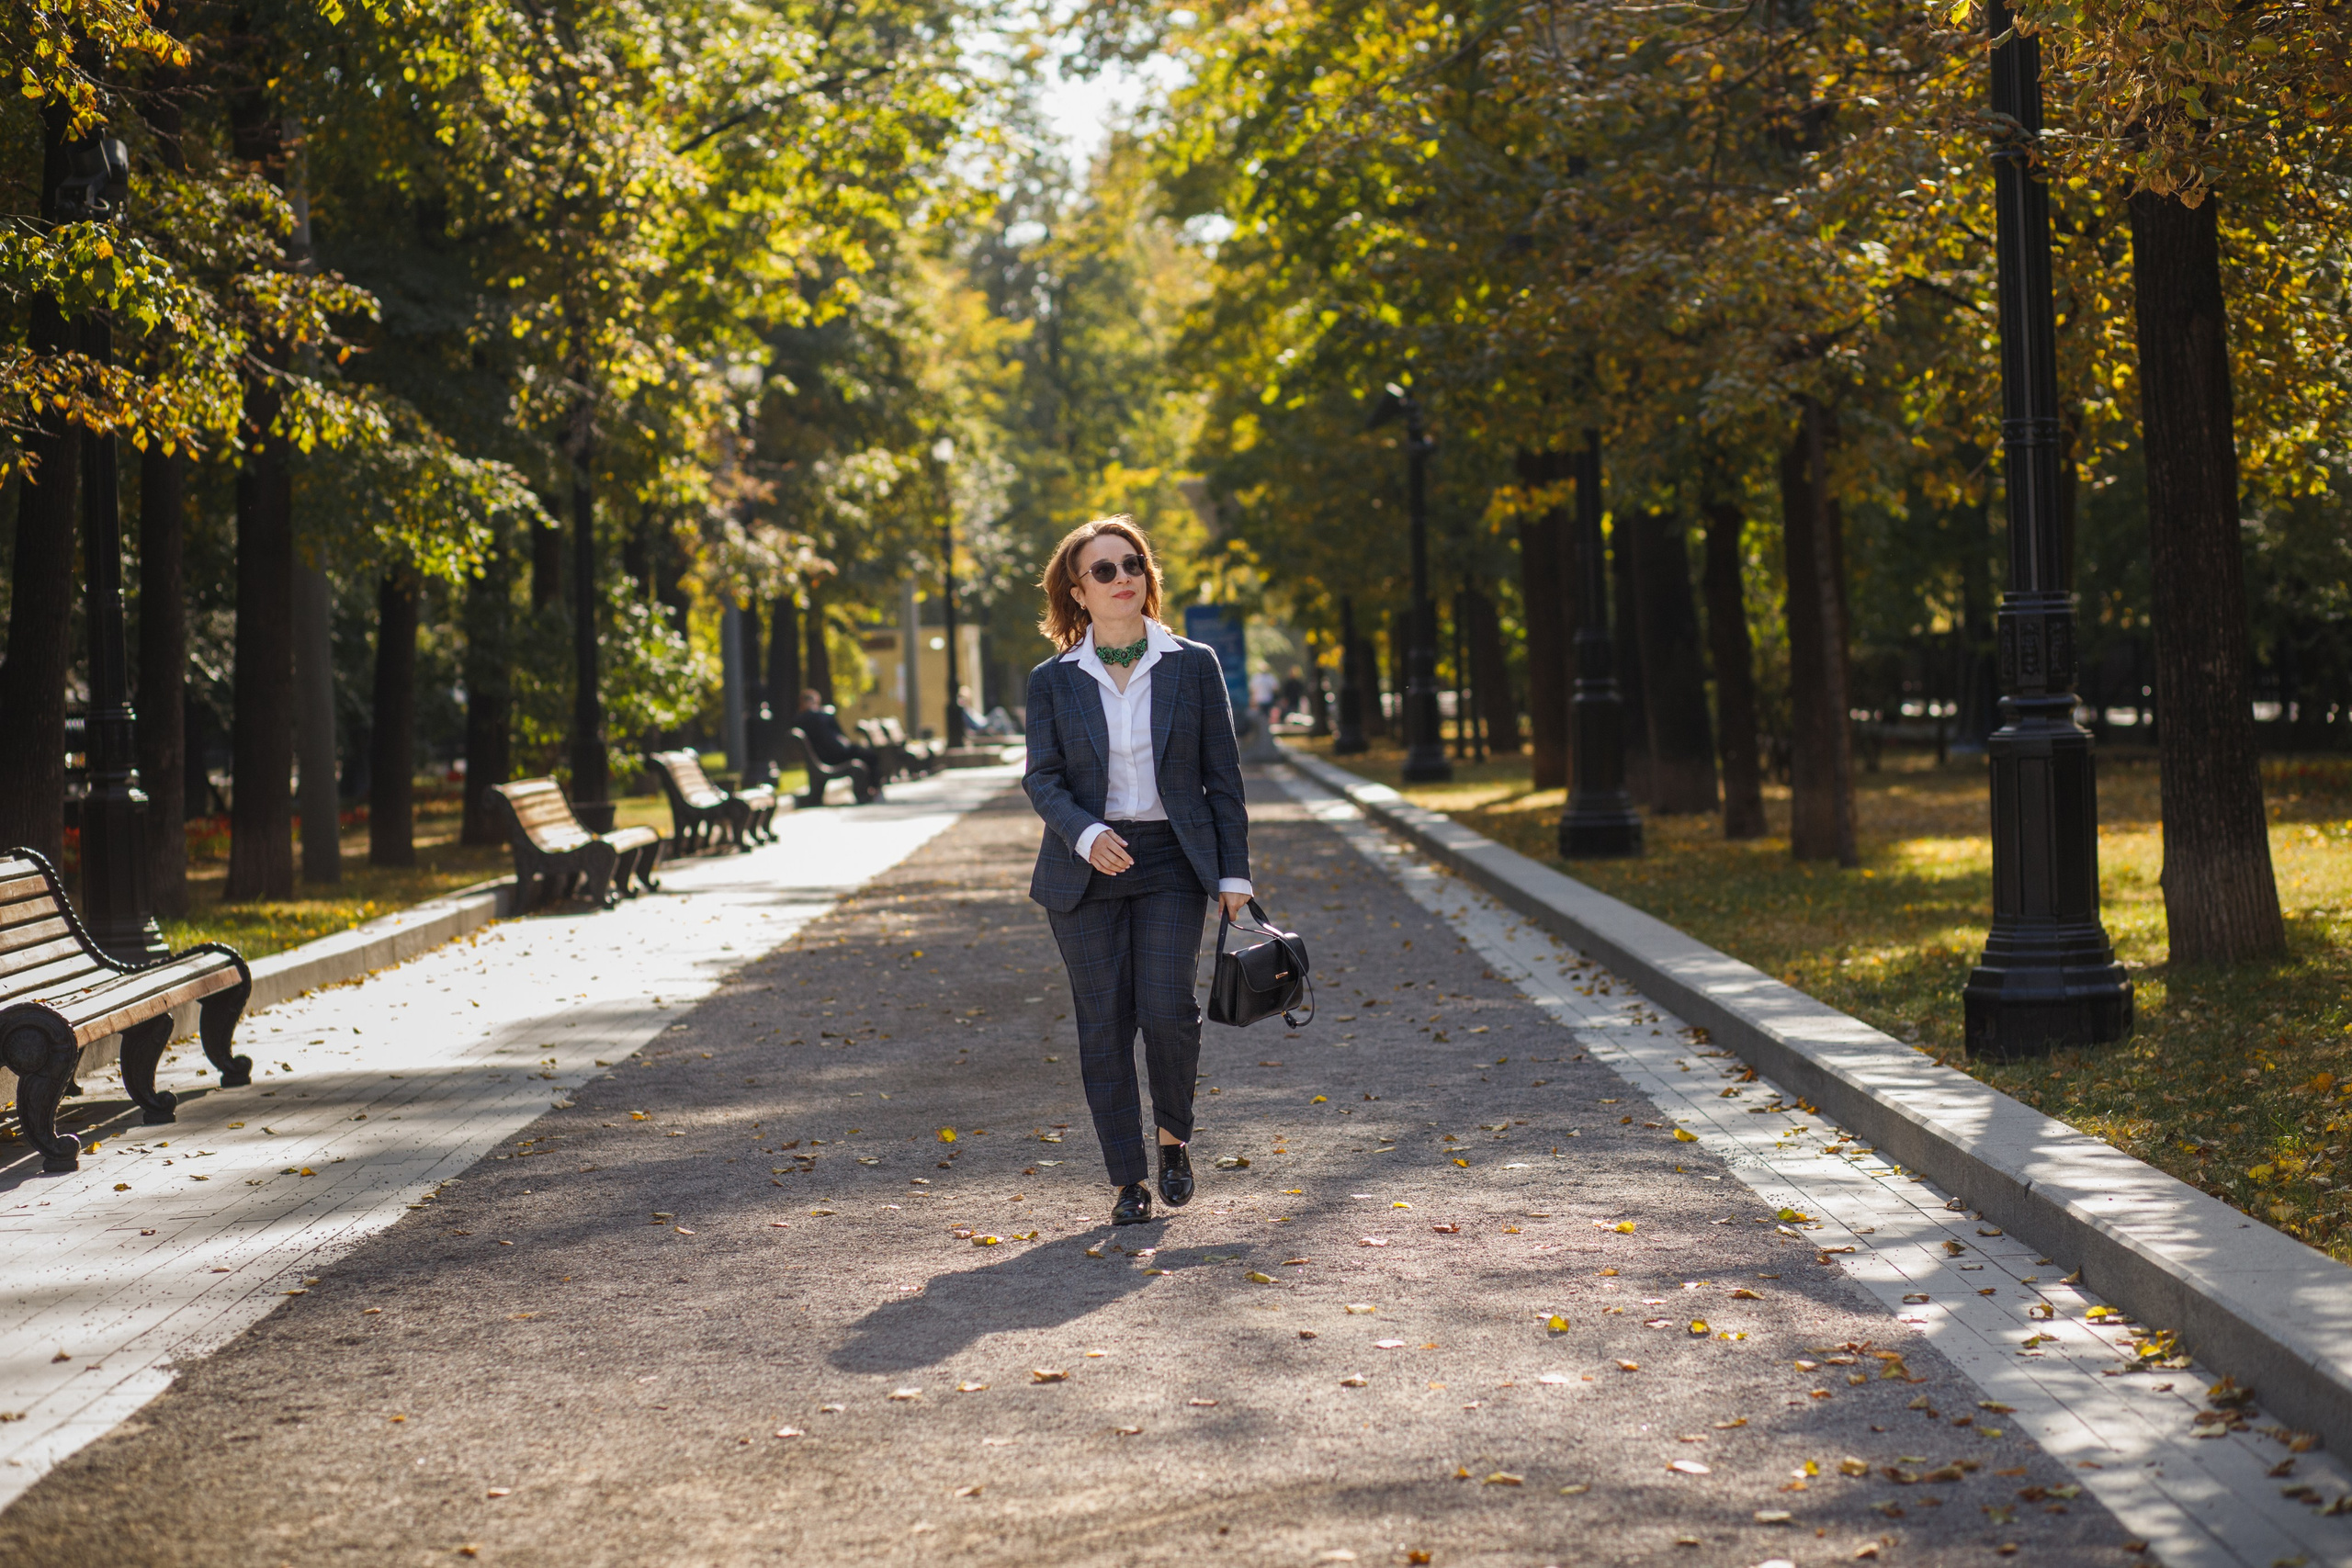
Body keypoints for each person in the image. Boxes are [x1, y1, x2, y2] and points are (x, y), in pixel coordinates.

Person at [1023, 516, 1255, 1227]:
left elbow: (1224, 775)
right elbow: (1043, 779)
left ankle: (1173, 1141)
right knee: (1105, 1025)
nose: (1124, 577)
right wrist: (1086, 833)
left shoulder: (1192, 663)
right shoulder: (1053, 680)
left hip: (1170, 860)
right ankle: (1129, 1179)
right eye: (1105, 569)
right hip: (1084, 869)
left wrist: (1233, 874)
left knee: (1166, 1010)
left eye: (1133, 564)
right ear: (1078, 589)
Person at [793, 690, 884, 802]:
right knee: (870, 756)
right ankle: (875, 791)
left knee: (870, 755)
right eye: (811, 701)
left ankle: (873, 790)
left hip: (840, 751)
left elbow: (839, 733)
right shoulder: (809, 717)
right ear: (803, 703)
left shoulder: (819, 715)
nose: (815, 705)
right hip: (833, 755)